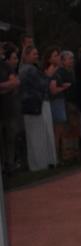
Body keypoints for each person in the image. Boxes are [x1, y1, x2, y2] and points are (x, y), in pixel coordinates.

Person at [18, 45, 57, 172]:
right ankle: (40, 164)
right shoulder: (29, 70)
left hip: (33, 105)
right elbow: (42, 85)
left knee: (39, 135)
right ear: (26, 55)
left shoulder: (29, 68)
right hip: (35, 104)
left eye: (37, 53)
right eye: (34, 54)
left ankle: (43, 162)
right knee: (38, 135)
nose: (37, 56)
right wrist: (49, 75)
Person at [42, 47, 71, 162]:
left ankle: (58, 155)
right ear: (49, 59)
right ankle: (56, 157)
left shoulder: (56, 71)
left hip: (58, 101)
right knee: (57, 131)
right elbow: (53, 90)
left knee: (59, 130)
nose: (58, 57)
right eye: (55, 56)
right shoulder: (51, 71)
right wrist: (63, 87)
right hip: (56, 102)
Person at [0, 43, 21, 174]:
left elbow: (16, 82)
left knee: (10, 138)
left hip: (9, 108)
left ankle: (10, 164)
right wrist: (8, 86)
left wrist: (3, 87)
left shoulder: (5, 65)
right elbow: (12, 83)